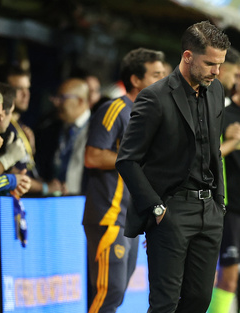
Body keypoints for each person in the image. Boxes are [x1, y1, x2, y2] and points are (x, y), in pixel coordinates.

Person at [116, 21, 230, 313]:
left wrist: (220, 201)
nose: (217, 72)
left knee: (198, 301)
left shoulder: (215, 90)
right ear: (188, 56)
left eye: (220, 64)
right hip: (171, 211)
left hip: (210, 211)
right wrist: (155, 207)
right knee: (165, 304)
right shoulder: (154, 97)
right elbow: (127, 160)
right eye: (210, 64)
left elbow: (214, 150)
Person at [84, 47, 166, 313]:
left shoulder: (153, 115)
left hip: (131, 219)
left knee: (117, 294)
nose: (163, 80)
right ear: (135, 79)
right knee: (110, 291)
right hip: (109, 215)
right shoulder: (115, 109)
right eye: (156, 74)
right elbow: (93, 156)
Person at [0, 63, 62, 195]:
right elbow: (6, 172)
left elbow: (25, 167)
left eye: (27, 88)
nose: (26, 94)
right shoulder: (0, 126)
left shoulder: (22, 127)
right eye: (19, 89)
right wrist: (45, 188)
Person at [207, 47, 240, 313]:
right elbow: (208, 156)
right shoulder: (223, 115)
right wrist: (232, 141)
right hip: (229, 209)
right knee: (227, 276)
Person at [35, 78, 91, 195]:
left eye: (62, 98)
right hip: (54, 200)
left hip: (84, 202)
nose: (56, 103)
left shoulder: (99, 129)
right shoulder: (49, 128)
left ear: (80, 101)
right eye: (56, 97)